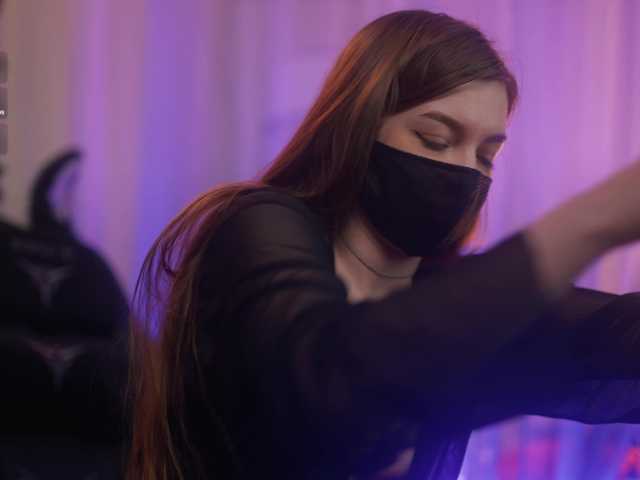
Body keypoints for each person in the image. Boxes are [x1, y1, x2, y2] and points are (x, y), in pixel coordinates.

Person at [127, 9, 640, 480]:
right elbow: (331, 391)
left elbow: (608, 335)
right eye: (435, 140)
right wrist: (591, 220)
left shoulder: (450, 297)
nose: (464, 171)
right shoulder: (257, 225)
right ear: (358, 124)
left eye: (486, 156)